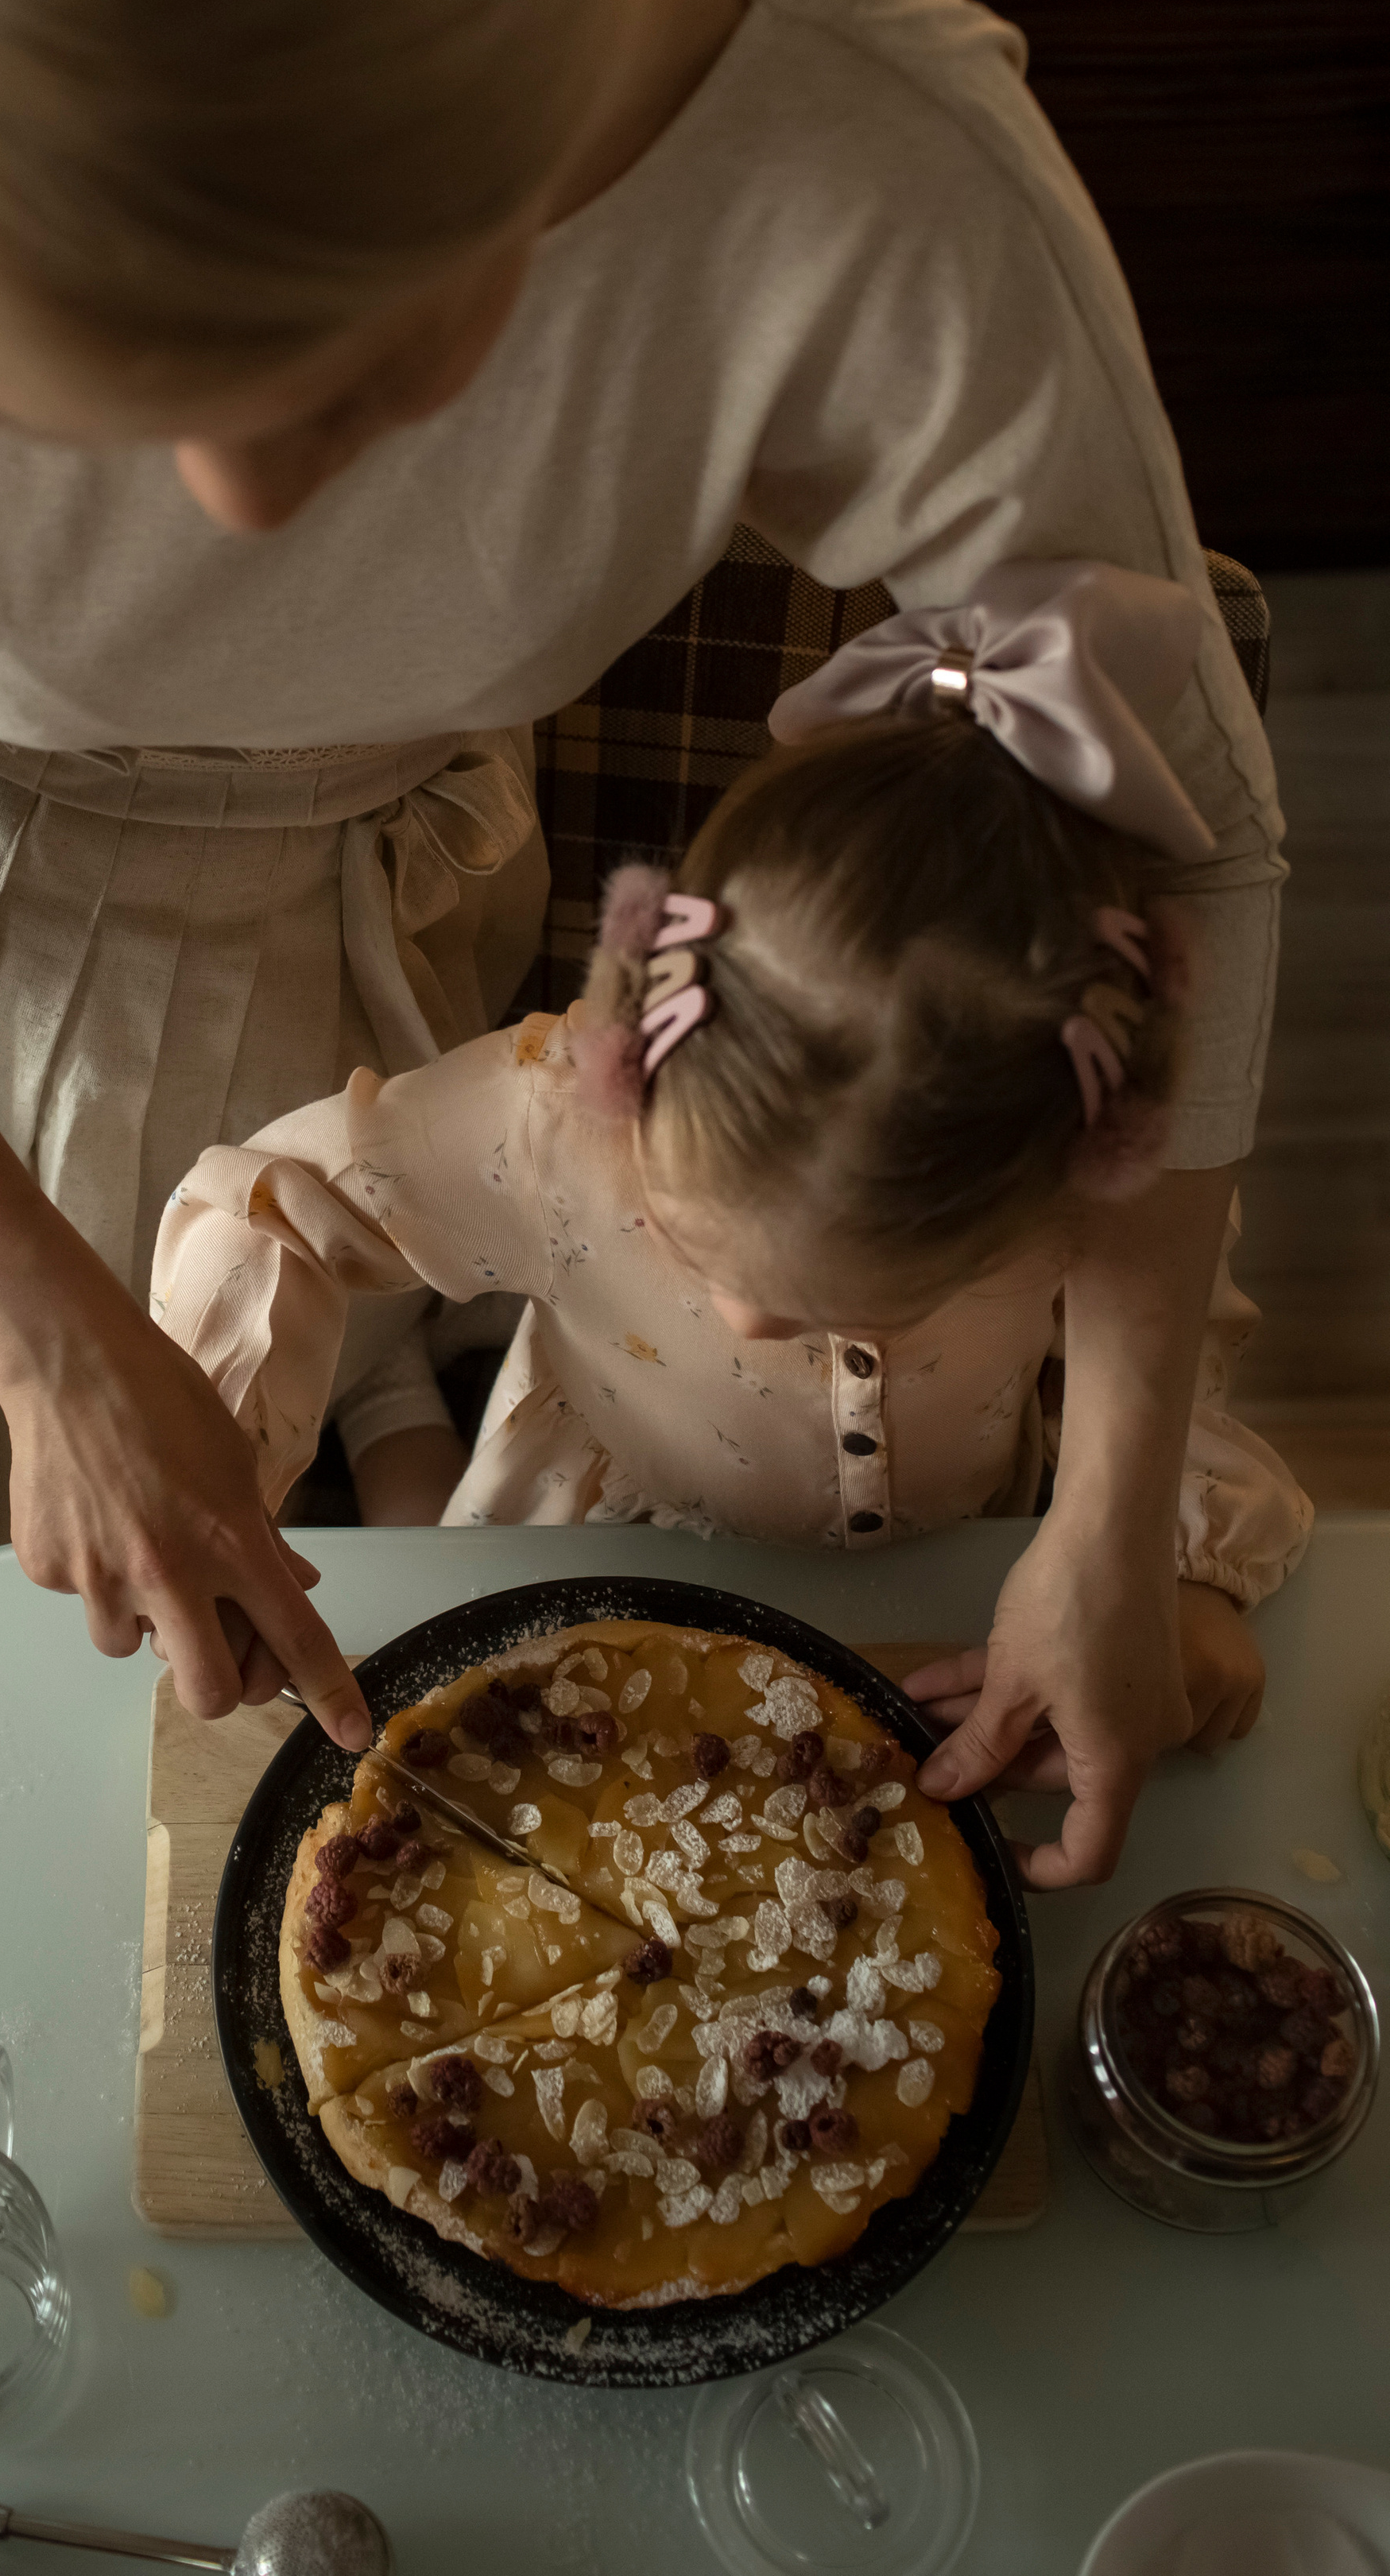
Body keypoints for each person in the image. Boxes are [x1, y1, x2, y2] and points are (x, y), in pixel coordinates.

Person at [0, 0, 1286, 1882]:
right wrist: (59, 1347)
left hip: (393, 881)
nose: (242, 514)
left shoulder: (854, 146)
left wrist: (1112, 1510)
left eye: (339, 380)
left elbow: (1173, 830)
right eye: (101, 397)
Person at [153, 565, 1310, 1884]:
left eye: (842, 1306)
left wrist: (1190, 1577)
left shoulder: (1088, 1178)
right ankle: (399, 1407)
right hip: (582, 1534)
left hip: (958, 1571)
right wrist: (216, 1467)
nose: (752, 1324)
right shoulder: (552, 1117)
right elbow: (262, 1207)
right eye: (694, 1247)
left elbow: (1178, 1341)